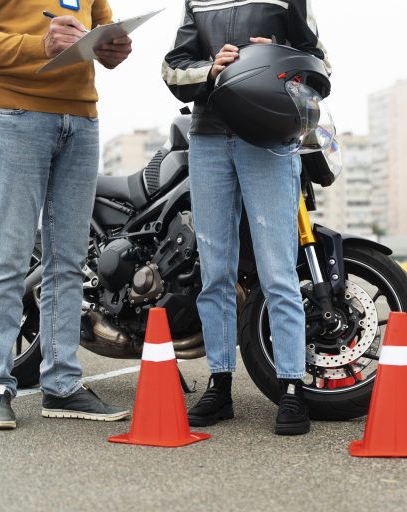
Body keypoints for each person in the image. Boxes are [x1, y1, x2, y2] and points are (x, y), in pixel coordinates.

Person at [0, 0, 133, 430]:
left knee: (68, 262)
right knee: (9, 257)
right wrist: (39, 46)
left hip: (81, 119)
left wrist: (113, 49)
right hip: (13, 114)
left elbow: (101, 27)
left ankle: (62, 385)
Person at [162, 0, 331, 435]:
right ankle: (220, 386)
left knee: (278, 270)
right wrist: (211, 68)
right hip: (208, 138)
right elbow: (172, 68)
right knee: (216, 271)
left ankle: (291, 387)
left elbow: (321, 64)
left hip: (270, 139)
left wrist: (275, 54)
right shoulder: (196, 2)